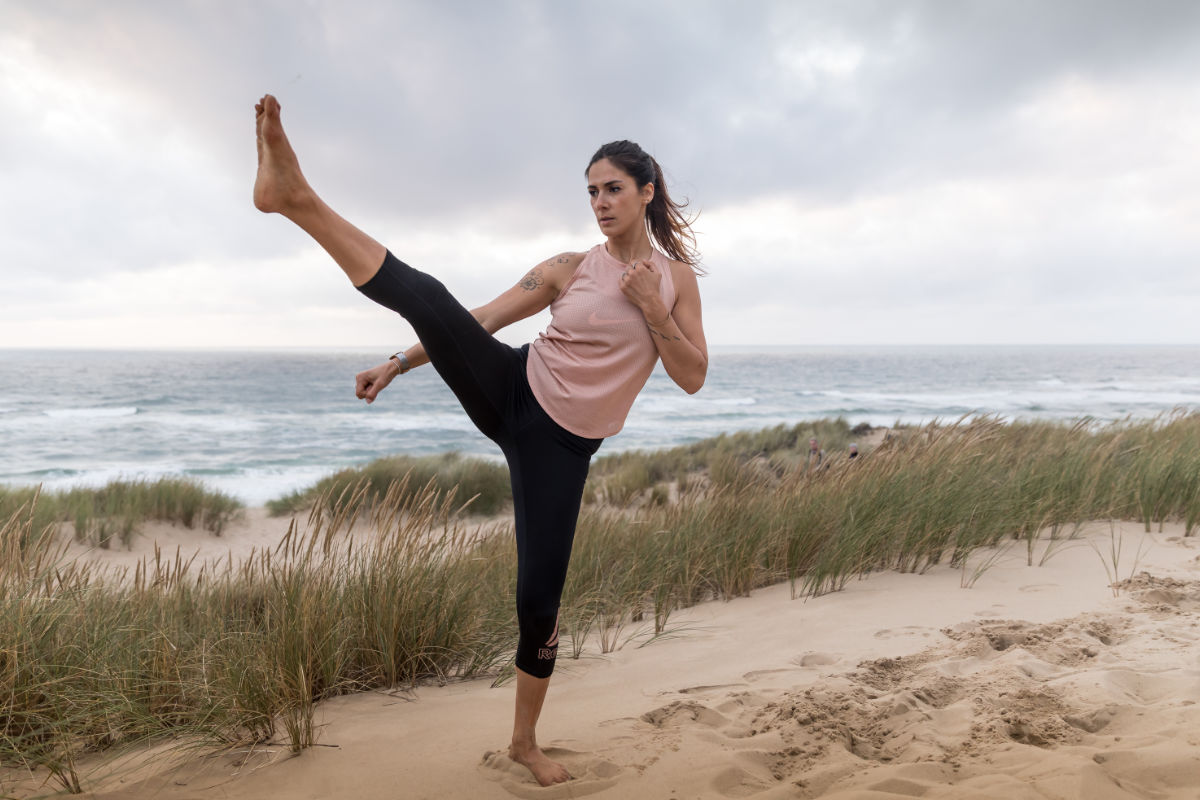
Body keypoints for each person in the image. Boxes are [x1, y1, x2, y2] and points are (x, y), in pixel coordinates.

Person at [252, 94, 707, 786]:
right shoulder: (566, 266)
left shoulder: (673, 283)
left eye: (613, 188)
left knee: (539, 602)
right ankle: (295, 198)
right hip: (513, 389)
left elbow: (693, 376)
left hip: (561, 450)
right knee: (429, 297)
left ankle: (525, 743)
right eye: (591, 191)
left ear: (647, 191)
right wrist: (398, 363)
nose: (600, 202)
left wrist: (651, 309)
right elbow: (482, 317)